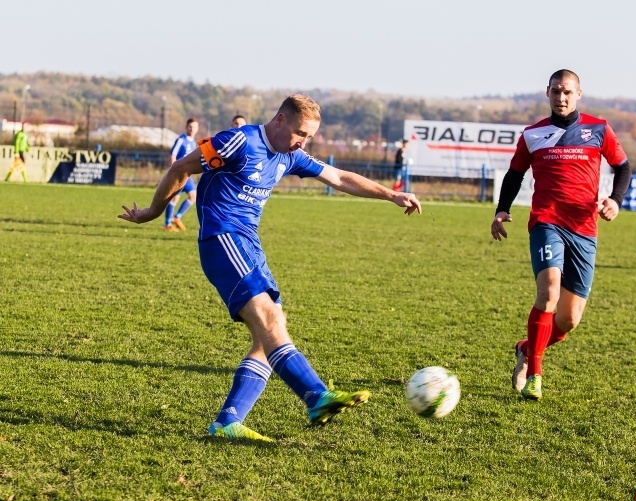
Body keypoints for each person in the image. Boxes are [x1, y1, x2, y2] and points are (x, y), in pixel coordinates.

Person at [119, 94, 422, 441]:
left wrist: (391, 195)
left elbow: (338, 177)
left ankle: (227, 422)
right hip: (222, 240)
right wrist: (153, 212)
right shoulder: (239, 140)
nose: (302, 142)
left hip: (250, 245)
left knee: (269, 334)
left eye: (308, 136)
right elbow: (181, 168)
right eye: (299, 133)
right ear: (279, 120)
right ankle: (316, 396)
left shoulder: (290, 155)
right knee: (270, 319)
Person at [491, 69, 631, 401]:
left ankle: (527, 348)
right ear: (548, 93)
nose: (561, 97)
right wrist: (501, 209)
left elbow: (623, 167)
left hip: (584, 228)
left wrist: (615, 200)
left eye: (567, 91)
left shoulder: (599, 129)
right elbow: (514, 174)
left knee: (568, 320)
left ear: (578, 94)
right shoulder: (533, 134)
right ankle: (535, 375)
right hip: (546, 222)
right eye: (556, 91)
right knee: (549, 291)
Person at [164, 118, 199, 231]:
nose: (192, 129)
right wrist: (173, 171)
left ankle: (177, 217)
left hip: (187, 175)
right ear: (186, 127)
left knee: (193, 196)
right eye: (190, 126)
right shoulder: (181, 140)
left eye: (194, 127)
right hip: (179, 174)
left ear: (197, 129)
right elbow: (172, 155)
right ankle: (167, 224)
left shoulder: (193, 142)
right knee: (174, 199)